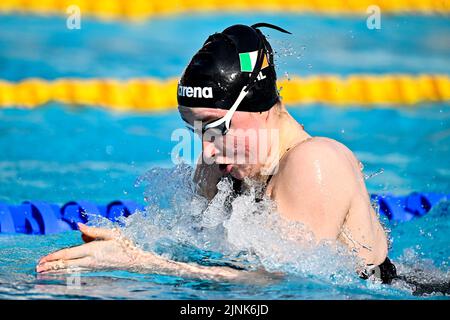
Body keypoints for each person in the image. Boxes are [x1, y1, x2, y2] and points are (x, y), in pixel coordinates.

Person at [36, 23, 395, 285]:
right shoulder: (221, 164)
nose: (206, 148)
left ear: (257, 105)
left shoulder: (316, 162)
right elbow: (191, 250)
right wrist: (125, 250)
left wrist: (141, 263)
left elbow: (286, 288)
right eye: (196, 131)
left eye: (218, 127)